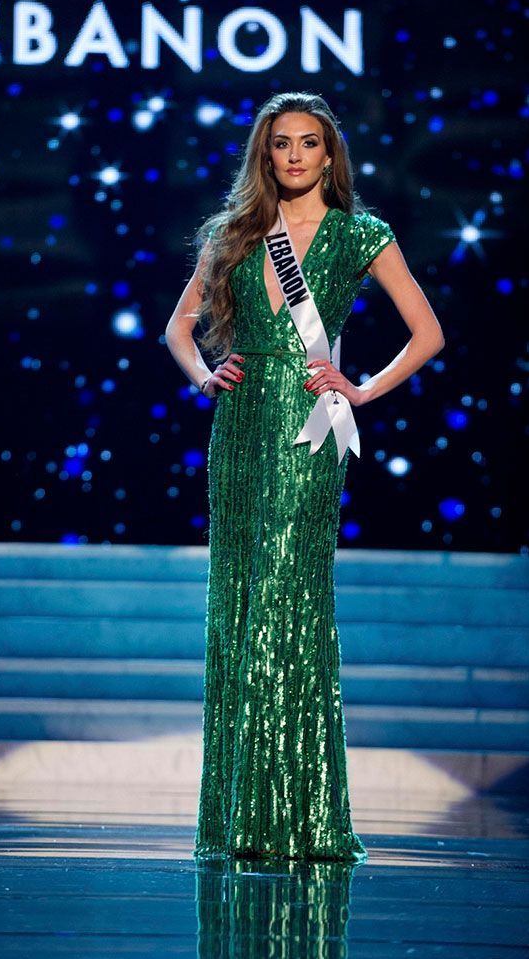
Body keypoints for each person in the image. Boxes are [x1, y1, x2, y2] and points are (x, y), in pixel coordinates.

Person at [165, 91, 445, 862]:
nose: (294, 155)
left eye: (309, 143)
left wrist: (360, 389)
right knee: (242, 604)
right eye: (281, 143)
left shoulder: (361, 234)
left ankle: (299, 813)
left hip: (311, 432)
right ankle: (240, 816)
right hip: (242, 430)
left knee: (287, 609)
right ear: (266, 154)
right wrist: (200, 374)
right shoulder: (234, 233)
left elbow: (429, 332)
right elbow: (178, 327)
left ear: (330, 154)